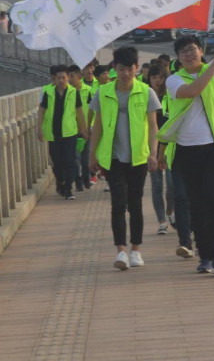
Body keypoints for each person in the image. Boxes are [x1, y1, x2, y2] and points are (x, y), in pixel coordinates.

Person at [157, 2, 214, 274]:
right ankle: (205, 256)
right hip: (187, 151)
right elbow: (193, 91)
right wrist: (211, 67)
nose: (189, 54)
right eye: (183, 51)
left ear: (201, 51)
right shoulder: (174, 80)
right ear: (178, 57)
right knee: (196, 204)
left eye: (193, 49)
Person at [89, 45, 159, 270]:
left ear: (137, 68)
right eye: (121, 69)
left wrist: (153, 153)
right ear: (113, 69)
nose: (125, 73)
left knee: (135, 204)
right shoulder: (104, 92)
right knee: (117, 204)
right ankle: (121, 250)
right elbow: (97, 126)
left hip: (138, 157)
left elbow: (152, 126)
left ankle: (136, 249)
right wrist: (92, 155)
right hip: (113, 158)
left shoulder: (146, 92)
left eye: (130, 69)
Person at [37, 65, 87, 200]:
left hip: (70, 133)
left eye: (63, 77)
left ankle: (68, 189)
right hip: (53, 134)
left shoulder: (73, 92)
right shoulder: (49, 93)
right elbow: (41, 111)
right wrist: (39, 128)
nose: (60, 80)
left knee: (69, 161)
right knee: (57, 162)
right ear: (55, 79)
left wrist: (83, 128)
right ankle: (60, 181)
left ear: (68, 78)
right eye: (58, 78)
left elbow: (80, 112)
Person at [147, 63, 175, 235]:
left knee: (172, 185)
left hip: (172, 146)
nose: (158, 81)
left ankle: (170, 210)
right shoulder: (146, 96)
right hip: (152, 147)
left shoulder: (172, 95)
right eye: (154, 77)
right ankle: (162, 221)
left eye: (161, 77)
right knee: (156, 185)